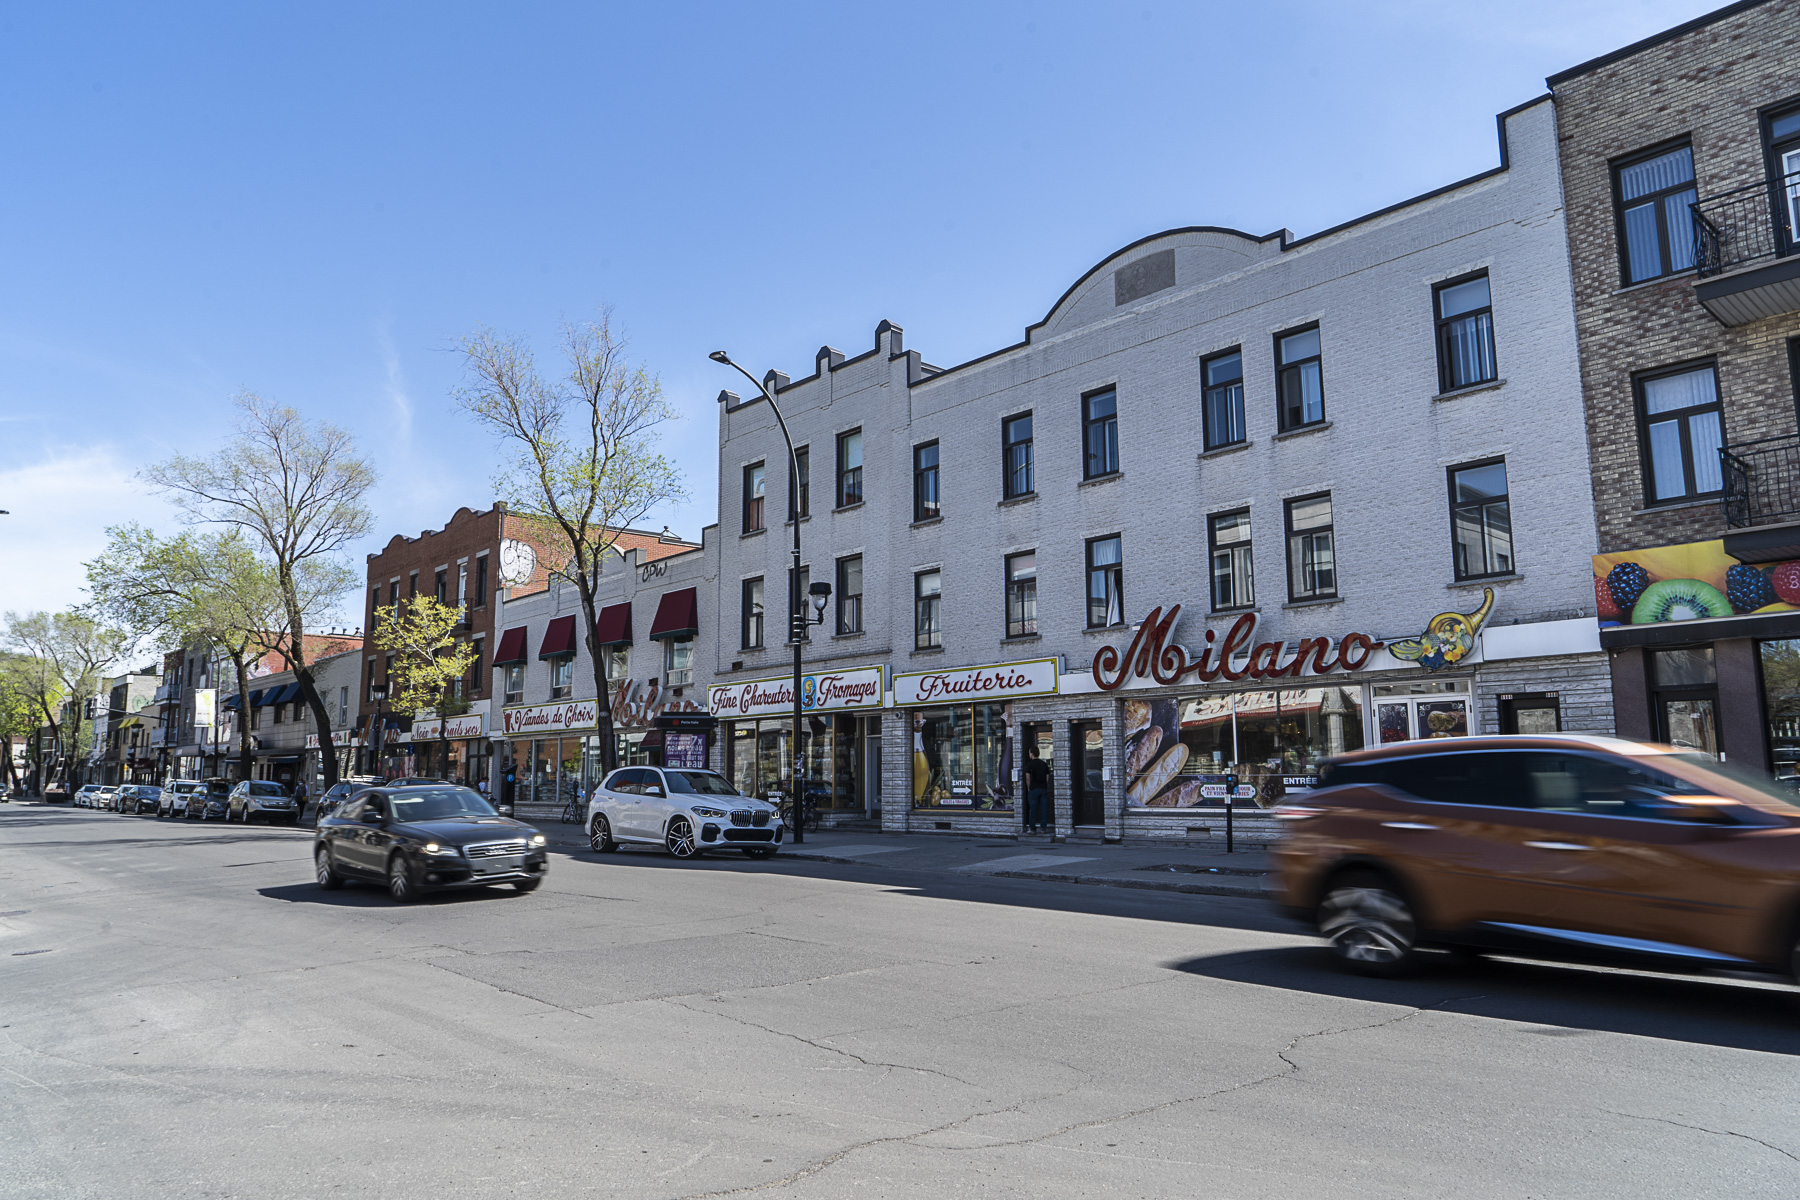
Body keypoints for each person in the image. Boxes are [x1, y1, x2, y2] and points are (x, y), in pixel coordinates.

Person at [1022, 746, 1052, 834]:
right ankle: (1043, 828)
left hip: (1033, 789)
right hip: (1043, 788)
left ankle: (1032, 829)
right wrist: (1044, 786)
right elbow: (1047, 777)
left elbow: (1027, 778)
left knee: (1033, 809)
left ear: (1032, 753)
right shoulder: (1044, 764)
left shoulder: (1029, 765)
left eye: (1029, 753)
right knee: (1044, 809)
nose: (1029, 754)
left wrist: (1028, 788)